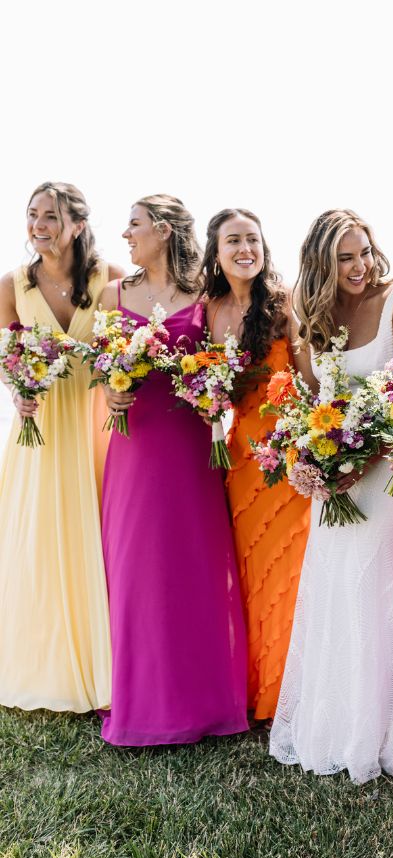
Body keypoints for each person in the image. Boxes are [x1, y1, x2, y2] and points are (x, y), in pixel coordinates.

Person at [269, 209, 393, 783]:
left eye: (363, 252)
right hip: (336, 478)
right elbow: (311, 402)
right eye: (344, 257)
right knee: (333, 586)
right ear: (320, 264)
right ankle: (334, 722)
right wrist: (306, 461)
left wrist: (367, 457)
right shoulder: (310, 318)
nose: (359, 266)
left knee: (374, 582)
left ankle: (389, 731)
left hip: (387, 477)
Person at [99, 194, 248, 745]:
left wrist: (216, 394)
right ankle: (142, 702)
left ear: (162, 231)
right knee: (137, 571)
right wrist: (112, 392)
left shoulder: (205, 297)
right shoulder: (113, 295)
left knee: (194, 568)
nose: (126, 235)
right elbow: (102, 363)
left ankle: (205, 702)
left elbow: (225, 364)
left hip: (191, 448)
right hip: (135, 448)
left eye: (134, 225)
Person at [0, 181, 123, 712]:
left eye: (50, 216)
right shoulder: (12, 284)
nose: (37, 225)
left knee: (98, 531)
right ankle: (40, 657)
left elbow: (130, 351)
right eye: (32, 215)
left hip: (93, 420)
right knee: (38, 536)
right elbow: (7, 355)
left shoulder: (110, 280)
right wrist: (17, 390)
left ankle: (107, 662)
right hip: (42, 426)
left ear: (76, 223)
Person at [200, 208, 310, 725]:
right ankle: (250, 686)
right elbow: (199, 377)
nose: (245, 249)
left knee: (287, 571)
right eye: (233, 241)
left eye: (253, 239)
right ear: (216, 253)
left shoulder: (286, 305)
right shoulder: (209, 310)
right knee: (244, 576)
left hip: (283, 457)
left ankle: (288, 692)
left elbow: (308, 382)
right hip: (238, 458)